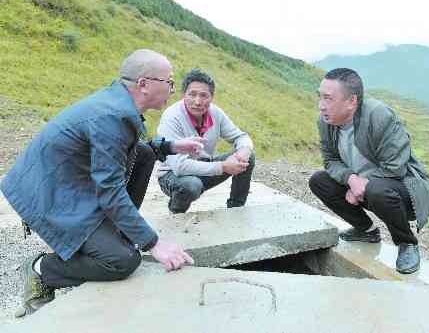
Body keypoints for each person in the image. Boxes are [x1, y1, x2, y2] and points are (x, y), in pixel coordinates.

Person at [0, 49, 204, 317]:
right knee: (123, 261)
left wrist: (171, 146)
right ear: (143, 84)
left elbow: (127, 149)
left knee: (143, 153)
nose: (172, 89)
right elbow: (110, 191)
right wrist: (153, 243)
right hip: (48, 193)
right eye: (169, 82)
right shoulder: (111, 117)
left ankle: (115, 232)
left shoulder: (117, 104)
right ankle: (40, 269)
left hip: (65, 181)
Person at [308, 68, 429, 274]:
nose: (321, 106)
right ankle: (366, 231)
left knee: (375, 189)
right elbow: (330, 160)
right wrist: (350, 179)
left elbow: (395, 166)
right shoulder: (325, 122)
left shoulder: (379, 116)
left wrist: (362, 183)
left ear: (351, 101)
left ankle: (407, 243)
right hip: (364, 186)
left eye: (328, 99)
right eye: (320, 97)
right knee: (318, 181)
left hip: (402, 190)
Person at [157, 68, 254, 213]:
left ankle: (236, 209)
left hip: (203, 165)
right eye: (192, 94)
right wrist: (222, 167)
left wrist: (244, 151)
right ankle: (176, 213)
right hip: (172, 175)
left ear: (211, 97)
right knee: (191, 186)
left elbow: (241, 137)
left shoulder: (215, 113)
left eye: (204, 95)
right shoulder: (172, 117)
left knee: (248, 158)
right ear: (184, 95)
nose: (197, 101)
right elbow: (179, 166)